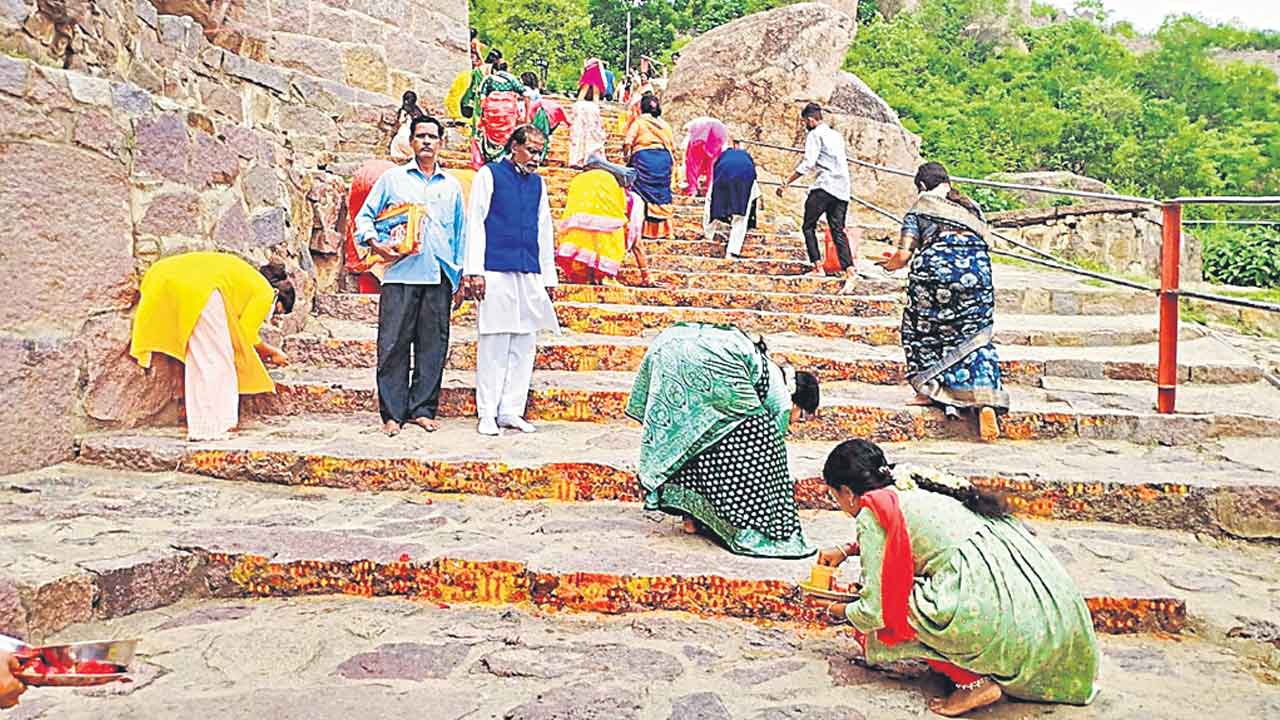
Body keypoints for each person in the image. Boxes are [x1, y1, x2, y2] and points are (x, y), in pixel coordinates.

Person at [817, 439, 1099, 716]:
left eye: (834, 496)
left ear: (847, 492)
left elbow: (875, 610)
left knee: (880, 618)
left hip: (984, 596)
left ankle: (974, 683)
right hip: (1021, 589)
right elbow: (905, 535)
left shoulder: (869, 512)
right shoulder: (906, 482)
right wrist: (849, 550)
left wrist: (835, 608)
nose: (839, 503)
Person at [626, 323, 820, 558]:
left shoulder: (762, 370)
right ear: (797, 402)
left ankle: (691, 519)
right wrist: (780, 520)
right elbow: (774, 459)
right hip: (696, 354)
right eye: (802, 416)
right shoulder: (781, 397)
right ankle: (743, 527)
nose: (795, 422)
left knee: (696, 439)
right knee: (761, 445)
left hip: (668, 346)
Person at [876, 162, 1009, 442]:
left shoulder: (920, 208)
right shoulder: (971, 207)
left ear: (922, 186)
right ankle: (986, 401)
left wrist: (886, 265)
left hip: (934, 279)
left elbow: (903, 256)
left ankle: (929, 390)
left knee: (922, 331)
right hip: (977, 277)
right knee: (976, 338)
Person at [354, 114, 467, 437]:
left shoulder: (451, 186)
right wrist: (376, 242)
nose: (427, 141)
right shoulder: (393, 180)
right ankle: (392, 414)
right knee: (393, 345)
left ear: (441, 143)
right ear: (412, 141)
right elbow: (364, 218)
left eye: (433, 136)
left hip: (439, 275)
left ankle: (422, 409)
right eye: (421, 136)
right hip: (400, 275)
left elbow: (460, 234)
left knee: (433, 347)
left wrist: (459, 277)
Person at [130, 252, 293, 441]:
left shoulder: (248, 279)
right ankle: (217, 426)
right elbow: (247, 335)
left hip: (162, 278)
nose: (272, 318)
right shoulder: (266, 292)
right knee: (218, 360)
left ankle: (201, 426)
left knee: (199, 360)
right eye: (277, 312)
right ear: (277, 295)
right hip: (200, 290)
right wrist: (272, 353)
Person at [463, 125, 560, 436]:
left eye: (540, 152)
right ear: (514, 147)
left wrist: (548, 277)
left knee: (525, 341)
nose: (536, 158)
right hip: (495, 269)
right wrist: (474, 270)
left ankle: (511, 410)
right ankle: (487, 412)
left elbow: (544, 229)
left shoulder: (538, 184)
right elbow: (476, 222)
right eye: (531, 150)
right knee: (494, 340)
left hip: (529, 270)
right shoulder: (489, 175)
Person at [777, 102, 857, 293]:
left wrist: (787, 182)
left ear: (811, 120)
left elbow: (808, 163)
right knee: (838, 230)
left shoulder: (815, 134)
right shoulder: (836, 135)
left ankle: (817, 267)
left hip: (824, 186)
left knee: (808, 226)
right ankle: (850, 271)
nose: (805, 125)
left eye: (805, 121)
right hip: (842, 189)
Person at [555, 169, 629, 285]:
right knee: (607, 241)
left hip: (582, 217)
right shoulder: (610, 180)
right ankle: (604, 275)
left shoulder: (580, 180)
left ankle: (589, 275)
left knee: (586, 241)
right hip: (607, 218)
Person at [624, 94, 677, 241]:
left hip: (644, 159)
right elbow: (672, 146)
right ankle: (668, 231)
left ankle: (639, 229)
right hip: (663, 160)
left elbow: (628, 141)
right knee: (662, 193)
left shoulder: (639, 122)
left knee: (640, 194)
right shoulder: (665, 125)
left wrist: (627, 157)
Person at [704, 141, 760, 259]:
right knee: (740, 217)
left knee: (711, 205)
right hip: (745, 180)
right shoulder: (746, 157)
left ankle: (708, 235)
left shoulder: (723, 156)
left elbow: (714, 174)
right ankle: (732, 251)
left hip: (723, 176)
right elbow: (754, 188)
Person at [471, 58, 528, 168]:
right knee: (507, 137)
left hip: (491, 112)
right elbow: (525, 94)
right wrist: (526, 114)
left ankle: (489, 157)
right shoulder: (512, 80)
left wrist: (482, 114)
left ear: (494, 69)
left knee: (488, 135)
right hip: (508, 112)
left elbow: (482, 98)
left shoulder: (489, 80)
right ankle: (502, 158)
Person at [682, 117, 728, 196]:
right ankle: (709, 190)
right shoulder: (719, 126)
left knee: (693, 165)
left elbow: (686, 128)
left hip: (699, 142)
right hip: (715, 142)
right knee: (712, 167)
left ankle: (693, 190)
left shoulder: (696, 122)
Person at [569, 93, 606, 168]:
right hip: (591, 118)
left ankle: (577, 160)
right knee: (591, 140)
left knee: (578, 139)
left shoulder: (579, 105)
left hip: (580, 116)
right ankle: (590, 161)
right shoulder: (594, 106)